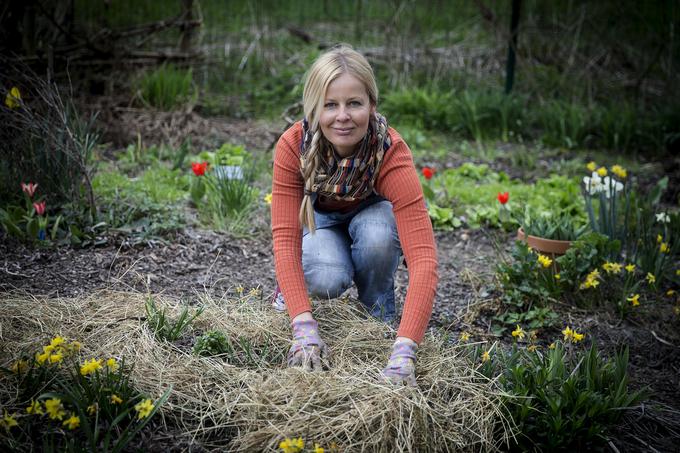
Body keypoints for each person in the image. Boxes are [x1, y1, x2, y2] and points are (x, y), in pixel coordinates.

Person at [270, 44, 438, 386]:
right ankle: (293, 294)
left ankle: (378, 322)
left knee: (377, 235)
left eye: (354, 103)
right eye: (330, 105)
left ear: (372, 106)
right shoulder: (293, 146)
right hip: (323, 223)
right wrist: (303, 327)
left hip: (372, 216)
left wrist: (407, 349)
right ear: (314, 109)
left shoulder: (390, 151)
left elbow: (423, 258)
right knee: (325, 276)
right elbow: (285, 241)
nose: (342, 116)